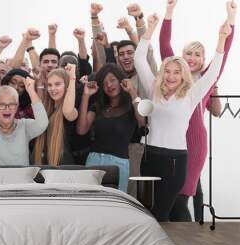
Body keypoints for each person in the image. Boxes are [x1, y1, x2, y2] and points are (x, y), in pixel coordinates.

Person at [134, 13, 230, 222]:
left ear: (183, 75)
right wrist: (149, 29)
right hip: (149, 157)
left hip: (175, 161)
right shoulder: (153, 89)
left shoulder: (192, 95)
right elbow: (139, 59)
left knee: (164, 214)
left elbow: (214, 71)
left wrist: (222, 39)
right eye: (167, 71)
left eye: (176, 72)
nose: (170, 76)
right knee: (147, 214)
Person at [159, 0, 236, 221]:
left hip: (194, 143)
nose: (192, 58)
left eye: (197, 55)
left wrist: (231, 19)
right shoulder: (172, 77)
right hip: (171, 143)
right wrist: (169, 12)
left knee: (181, 199)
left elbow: (225, 51)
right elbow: (165, 45)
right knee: (169, 201)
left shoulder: (206, 81)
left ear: (203, 60)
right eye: (188, 54)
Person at [77, 64, 144, 192]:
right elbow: (81, 130)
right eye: (104, 82)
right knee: (90, 204)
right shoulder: (98, 106)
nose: (109, 85)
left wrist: (132, 92)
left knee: (114, 207)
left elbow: (143, 124)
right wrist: (86, 96)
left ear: (121, 81)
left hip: (119, 164)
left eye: (112, 80)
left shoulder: (132, 106)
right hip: (93, 160)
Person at [0, 69, 48, 166]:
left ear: (16, 106)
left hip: (21, 180)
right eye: (2, 105)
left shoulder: (24, 126)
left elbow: (42, 123)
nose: (7, 109)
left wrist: (31, 91)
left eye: (11, 105)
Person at [33, 64, 78, 165]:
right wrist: (39, 81)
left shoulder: (71, 110)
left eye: (57, 84)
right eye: (49, 85)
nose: (52, 88)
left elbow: (67, 111)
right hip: (42, 165)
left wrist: (72, 78)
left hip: (63, 168)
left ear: (66, 85)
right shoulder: (47, 109)